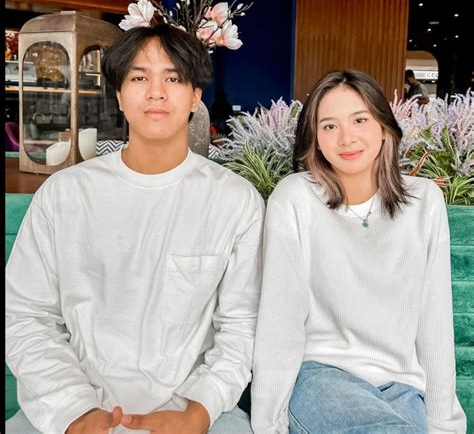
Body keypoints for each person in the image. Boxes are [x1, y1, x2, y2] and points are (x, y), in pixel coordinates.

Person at [6, 24, 264, 434]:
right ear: (119, 95)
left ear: (195, 96)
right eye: (140, 78)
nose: (156, 92)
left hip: (193, 412)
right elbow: (26, 315)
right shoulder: (65, 194)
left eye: (173, 79)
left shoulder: (235, 201)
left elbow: (241, 327)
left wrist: (199, 411)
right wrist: (75, 411)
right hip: (70, 409)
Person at [251, 70, 466, 433]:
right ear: (316, 138)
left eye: (360, 120)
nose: (346, 137)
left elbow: (434, 323)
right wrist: (269, 424)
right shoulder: (295, 198)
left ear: (383, 127)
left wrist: (444, 424)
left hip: (401, 388)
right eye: (329, 126)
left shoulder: (424, 200)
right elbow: (280, 320)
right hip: (322, 377)